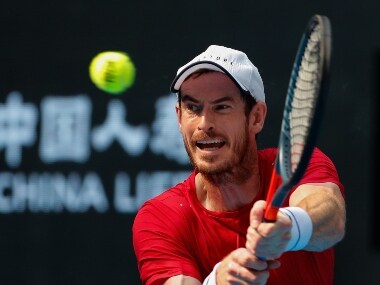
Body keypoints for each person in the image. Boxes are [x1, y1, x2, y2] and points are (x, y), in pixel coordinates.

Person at [132, 45, 346, 285]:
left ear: (256, 117)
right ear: (179, 117)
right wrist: (217, 281)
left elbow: (331, 219)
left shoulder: (294, 163)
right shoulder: (160, 218)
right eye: (193, 108)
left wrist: (289, 227)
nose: (204, 123)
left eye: (221, 107)